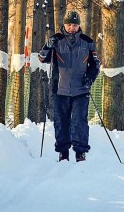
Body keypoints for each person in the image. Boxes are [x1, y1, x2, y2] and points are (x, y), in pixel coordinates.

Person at [38, 10, 101, 162]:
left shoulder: (87, 41)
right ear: (64, 25)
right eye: (69, 25)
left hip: (81, 89)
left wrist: (89, 78)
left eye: (74, 25)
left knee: (80, 122)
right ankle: (63, 152)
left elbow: (95, 64)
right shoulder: (56, 40)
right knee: (61, 122)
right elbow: (41, 58)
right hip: (60, 89)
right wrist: (47, 46)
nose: (72, 28)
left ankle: (80, 153)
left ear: (79, 25)